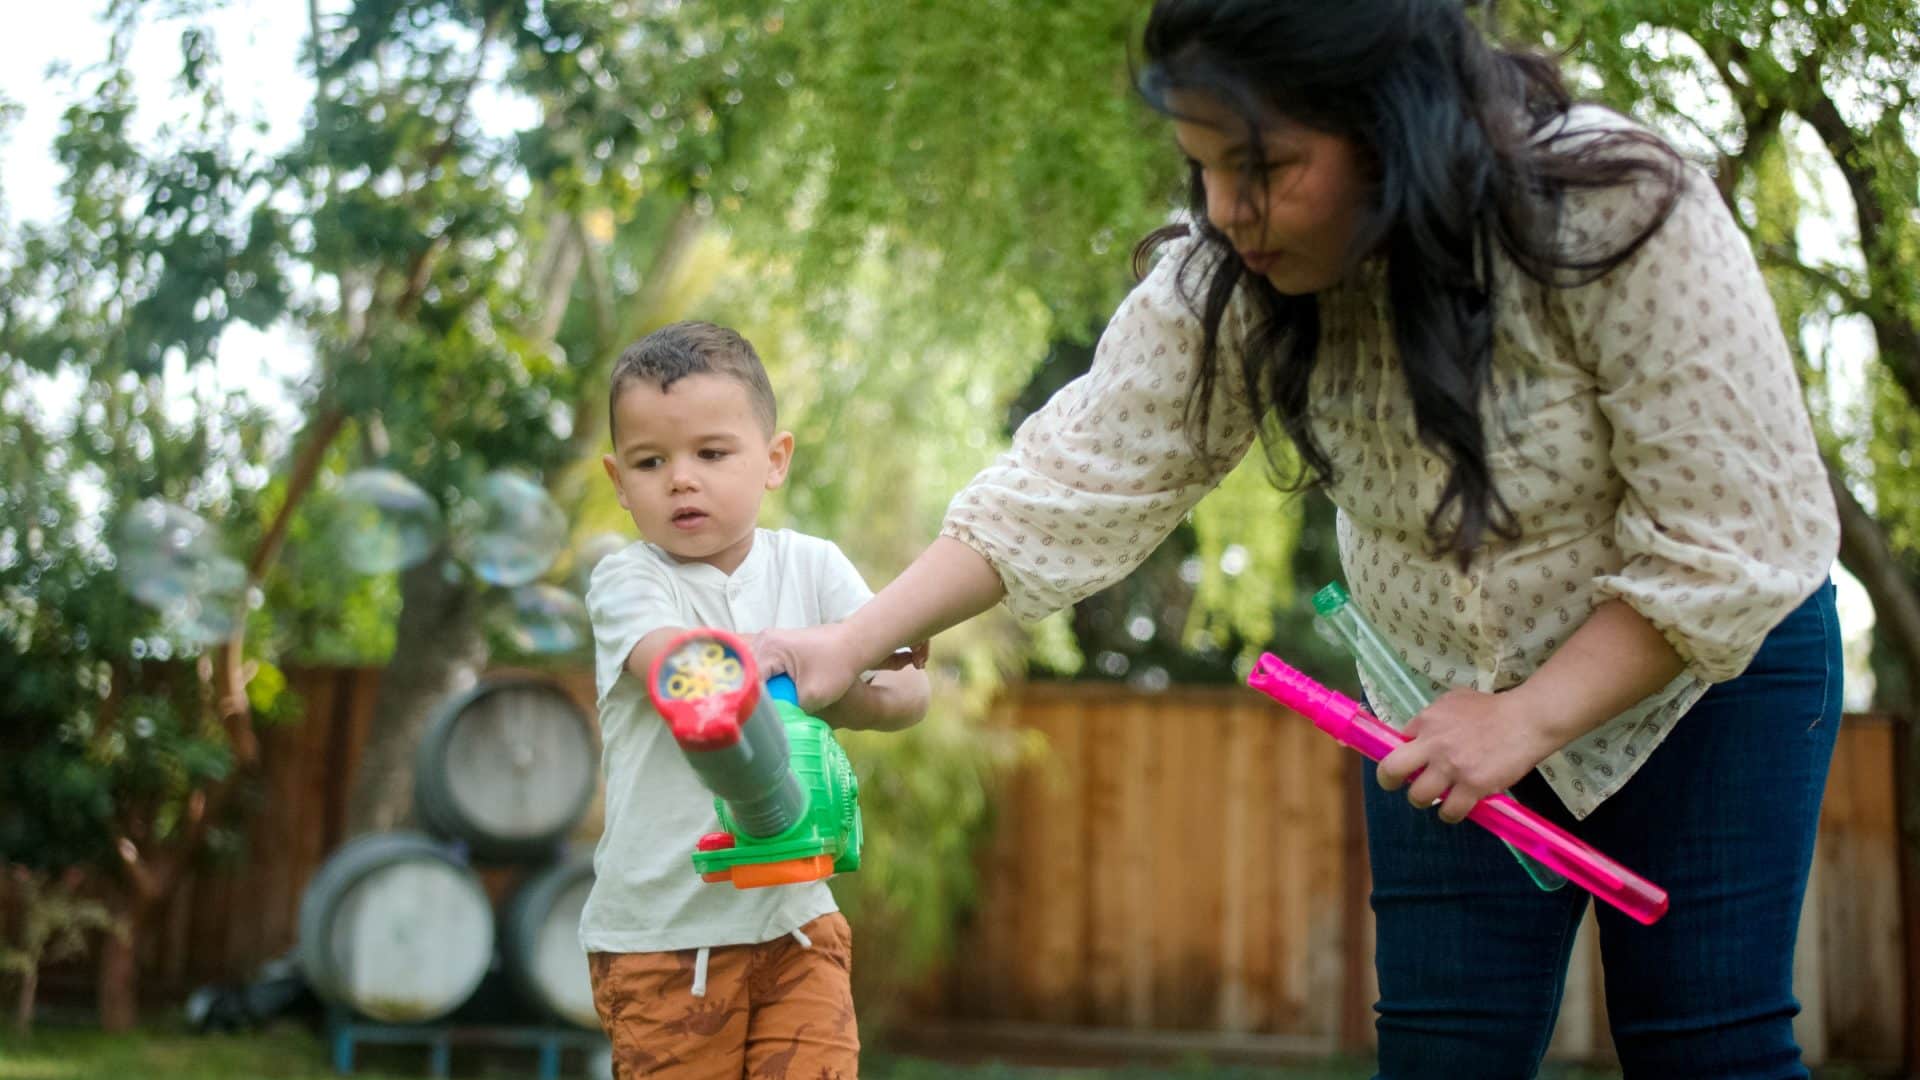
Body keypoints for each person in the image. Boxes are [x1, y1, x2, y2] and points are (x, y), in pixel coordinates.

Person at [754, 2, 1842, 1076]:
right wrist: (851, 640)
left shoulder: (1612, 209)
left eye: (1265, 167)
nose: (1228, 210)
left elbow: (1728, 539)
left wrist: (1528, 719)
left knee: (1707, 1045)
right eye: (1202, 167)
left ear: (1391, 123)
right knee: (1440, 1059)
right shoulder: (1228, 274)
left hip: (1702, 673)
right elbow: (1075, 476)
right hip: (1436, 701)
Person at [581, 320, 929, 1079]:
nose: (681, 478)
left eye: (711, 453)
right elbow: (670, 664)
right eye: (650, 461)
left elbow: (909, 689)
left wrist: (846, 693)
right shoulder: (630, 580)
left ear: (774, 461)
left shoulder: (813, 565)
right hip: (665, 941)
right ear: (617, 481)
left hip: (796, 924)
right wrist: (772, 665)